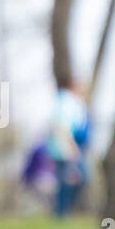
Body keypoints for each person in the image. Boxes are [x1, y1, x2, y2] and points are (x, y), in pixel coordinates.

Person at [47, 78, 90, 217]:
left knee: (66, 179)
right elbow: (63, 127)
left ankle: (63, 211)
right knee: (75, 178)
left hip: (64, 147)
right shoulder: (67, 103)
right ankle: (63, 211)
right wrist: (73, 147)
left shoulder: (69, 102)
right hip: (66, 148)